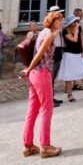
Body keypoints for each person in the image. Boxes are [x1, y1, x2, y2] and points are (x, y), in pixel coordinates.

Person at [21, 11, 63, 159]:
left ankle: (28, 145)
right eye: (59, 20)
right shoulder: (50, 35)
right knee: (47, 109)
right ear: (52, 21)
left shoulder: (42, 32)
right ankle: (45, 146)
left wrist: (29, 71)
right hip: (42, 74)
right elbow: (38, 55)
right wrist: (28, 69)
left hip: (35, 75)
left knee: (32, 110)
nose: (62, 22)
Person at [58, 15, 83, 102]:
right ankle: (70, 95)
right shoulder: (65, 31)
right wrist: (76, 30)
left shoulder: (79, 28)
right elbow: (74, 39)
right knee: (69, 76)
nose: (77, 23)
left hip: (78, 54)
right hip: (69, 55)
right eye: (75, 21)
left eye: (77, 21)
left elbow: (81, 39)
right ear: (71, 23)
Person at [47, 5, 65, 108]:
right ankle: (49, 99)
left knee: (52, 77)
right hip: (53, 51)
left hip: (58, 50)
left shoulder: (59, 24)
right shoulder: (51, 26)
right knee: (50, 77)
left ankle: (51, 96)